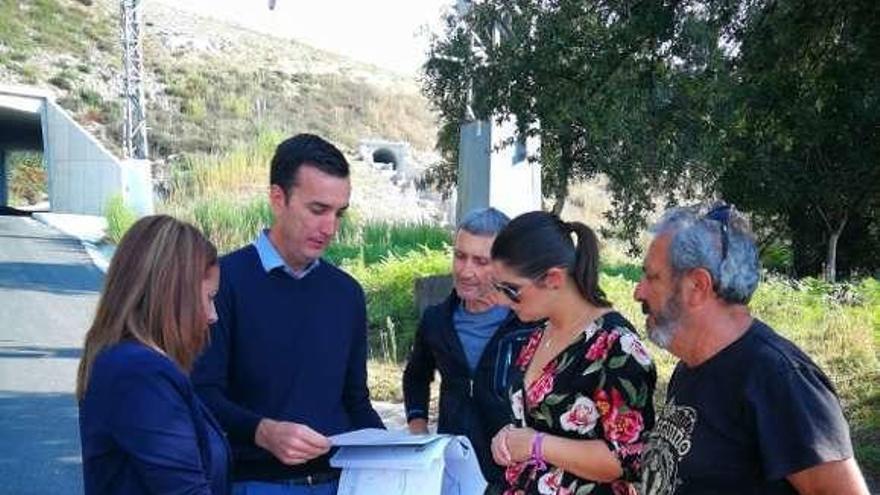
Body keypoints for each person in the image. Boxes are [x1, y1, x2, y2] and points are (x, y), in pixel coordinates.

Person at [191, 134, 383, 495]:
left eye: (338, 213)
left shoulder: (347, 294)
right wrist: (263, 431)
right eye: (317, 210)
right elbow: (201, 393)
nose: (330, 228)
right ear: (277, 199)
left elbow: (356, 400)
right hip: (254, 483)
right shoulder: (221, 283)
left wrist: (400, 458)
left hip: (341, 483)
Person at [635, 203, 870, 495]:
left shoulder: (779, 379)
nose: (638, 292)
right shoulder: (690, 367)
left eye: (652, 277)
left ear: (697, 286)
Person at [489, 211, 657, 495]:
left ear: (553, 278)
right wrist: (506, 439)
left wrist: (536, 444)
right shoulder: (538, 335)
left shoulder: (617, 347)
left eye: (511, 289)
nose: (501, 300)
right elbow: (534, 421)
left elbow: (628, 458)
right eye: (497, 287)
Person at [77, 215, 228, 495]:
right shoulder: (140, 374)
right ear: (173, 294)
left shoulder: (125, 363)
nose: (212, 315)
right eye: (208, 298)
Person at [402, 207, 535, 491]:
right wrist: (418, 428)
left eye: (480, 261)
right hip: (455, 472)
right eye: (460, 256)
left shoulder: (529, 323)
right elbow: (415, 375)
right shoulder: (436, 320)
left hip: (514, 477)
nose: (465, 271)